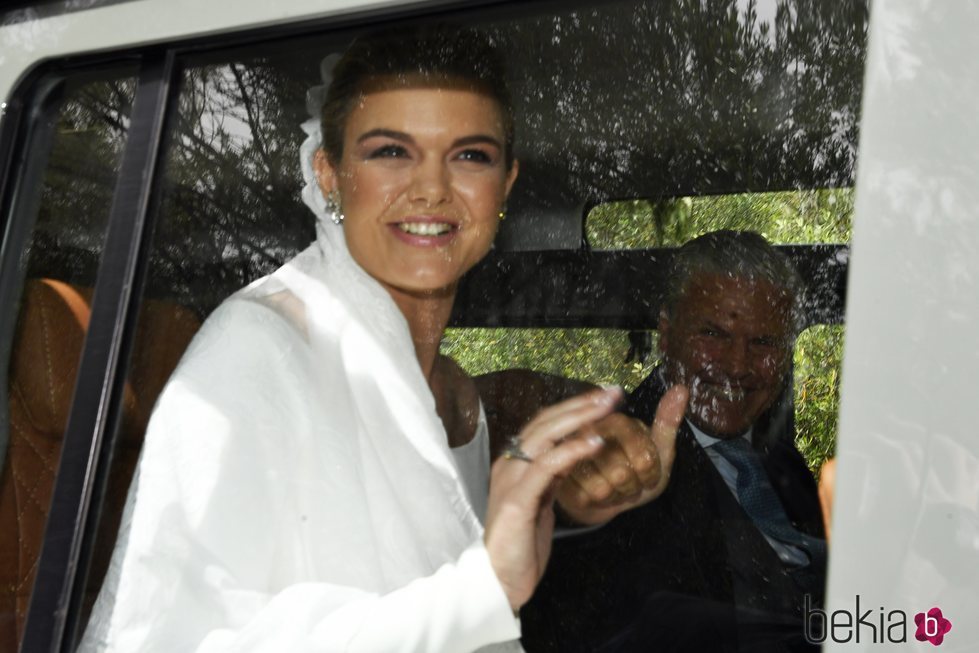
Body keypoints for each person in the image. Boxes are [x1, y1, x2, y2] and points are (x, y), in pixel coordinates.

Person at [78, 26, 685, 652]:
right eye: (391, 151)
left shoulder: (456, 400)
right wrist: (480, 593)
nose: (430, 188)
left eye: (470, 155)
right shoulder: (258, 346)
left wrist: (572, 502)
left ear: (505, 186)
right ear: (330, 173)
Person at [518, 230, 827, 652]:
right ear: (666, 335)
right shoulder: (616, 451)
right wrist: (574, 508)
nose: (738, 365)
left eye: (764, 342)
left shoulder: (785, 464)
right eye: (713, 335)